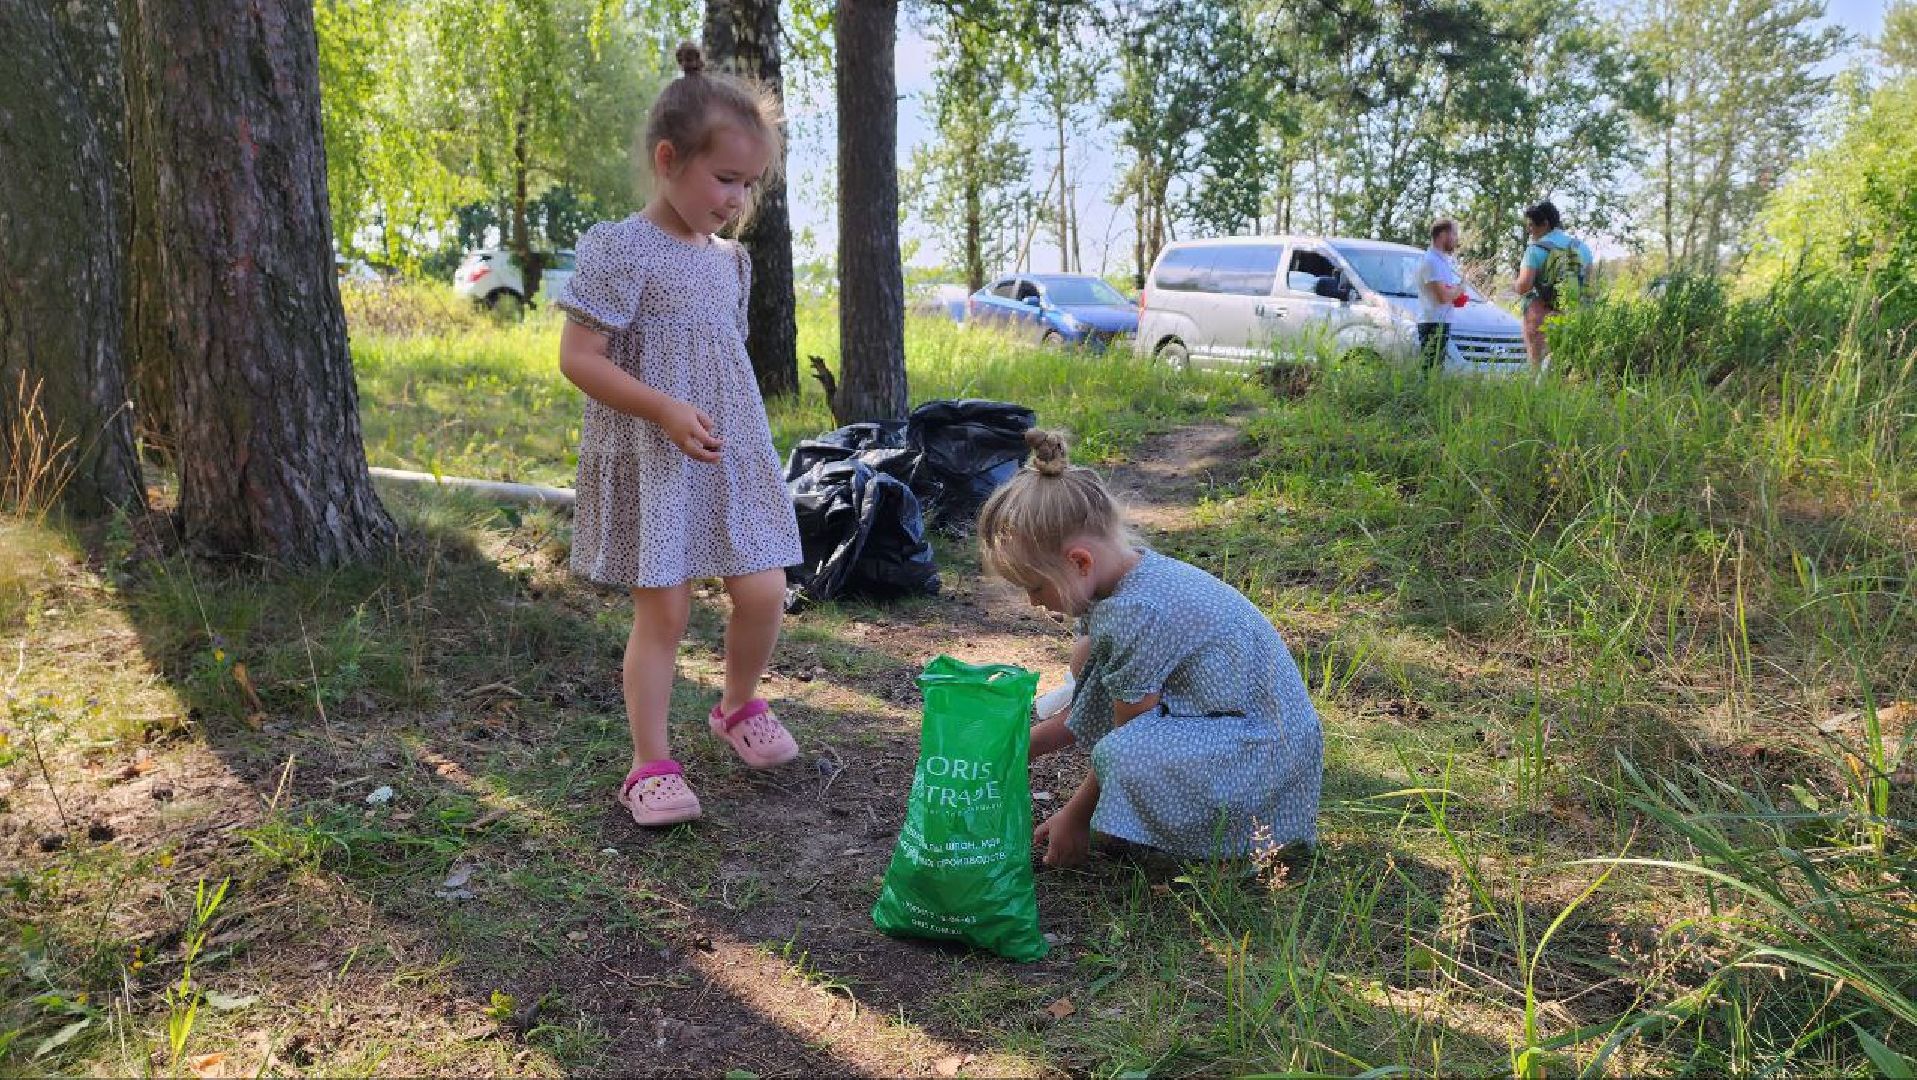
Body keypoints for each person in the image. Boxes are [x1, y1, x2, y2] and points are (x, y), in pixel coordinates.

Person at [555, 43, 801, 827]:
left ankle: (735, 707)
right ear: (668, 160)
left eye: (748, 184)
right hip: (652, 453)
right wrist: (661, 408)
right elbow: (578, 358)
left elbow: (721, 358)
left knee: (763, 589)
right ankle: (649, 764)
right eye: (724, 178)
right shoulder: (617, 248)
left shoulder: (731, 262)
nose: (736, 199)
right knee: (663, 613)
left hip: (727, 449)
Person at [977, 430, 1323, 867]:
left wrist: (1076, 818)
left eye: (1035, 586)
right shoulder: (1125, 578)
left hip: (1264, 756)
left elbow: (1127, 740)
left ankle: (1221, 847)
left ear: (1079, 562)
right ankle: (1146, 821)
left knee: (1123, 754)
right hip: (1249, 730)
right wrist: (1011, 752)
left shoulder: (1133, 614)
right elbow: (1090, 709)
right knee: (1088, 657)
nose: (1033, 602)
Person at [1513, 200, 1593, 369]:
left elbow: (1524, 287)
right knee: (1566, 367)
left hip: (1541, 314)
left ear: (1545, 224)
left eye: (1531, 225)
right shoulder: (1582, 248)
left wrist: (1515, 284)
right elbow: (1591, 289)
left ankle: (1537, 392)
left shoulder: (1535, 249)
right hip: (1574, 315)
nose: (1529, 229)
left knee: (1538, 367)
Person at [1414, 219, 1469, 372]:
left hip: (1440, 320)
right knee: (1430, 371)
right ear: (1443, 235)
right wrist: (1461, 288)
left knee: (1436, 369)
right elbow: (1443, 297)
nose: (1456, 239)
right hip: (1433, 322)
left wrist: (1456, 293)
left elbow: (1445, 292)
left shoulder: (1442, 261)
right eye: (1454, 234)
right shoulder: (1431, 261)